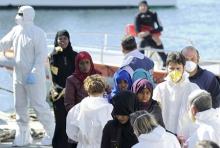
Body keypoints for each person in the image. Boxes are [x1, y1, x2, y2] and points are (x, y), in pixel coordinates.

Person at [0, 5, 55, 146]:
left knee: (39, 105)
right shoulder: (16, 30)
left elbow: (41, 55)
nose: (18, 16)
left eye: (20, 13)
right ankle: (23, 135)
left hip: (34, 78)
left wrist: (33, 72)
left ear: (28, 15)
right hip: (18, 76)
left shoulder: (38, 33)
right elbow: (3, 43)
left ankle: (51, 133)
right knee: (20, 106)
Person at [152, 52, 200, 140]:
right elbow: (153, 113)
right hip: (164, 135)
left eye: (178, 68)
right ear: (167, 69)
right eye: (172, 68)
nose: (175, 71)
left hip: (185, 136)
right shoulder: (160, 88)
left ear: (184, 68)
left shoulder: (193, 88)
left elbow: (198, 114)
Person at [48, 30, 78, 148]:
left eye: (65, 38)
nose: (62, 41)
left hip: (73, 95)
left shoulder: (75, 55)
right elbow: (55, 75)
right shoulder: (53, 56)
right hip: (58, 94)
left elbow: (78, 74)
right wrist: (55, 54)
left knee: (72, 122)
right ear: (56, 40)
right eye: (60, 39)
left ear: (69, 40)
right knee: (60, 122)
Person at [66, 74, 113, 148]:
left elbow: (71, 131)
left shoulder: (78, 107)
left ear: (87, 90)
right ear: (104, 89)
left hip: (83, 145)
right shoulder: (109, 108)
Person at [135, 0, 167, 66]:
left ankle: (165, 62)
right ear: (139, 7)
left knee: (157, 41)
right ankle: (141, 64)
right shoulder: (137, 16)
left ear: (147, 6)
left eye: (144, 6)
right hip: (144, 38)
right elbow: (138, 32)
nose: (142, 7)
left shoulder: (153, 14)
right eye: (141, 6)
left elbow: (160, 28)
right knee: (141, 44)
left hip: (153, 36)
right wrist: (143, 34)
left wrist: (149, 32)